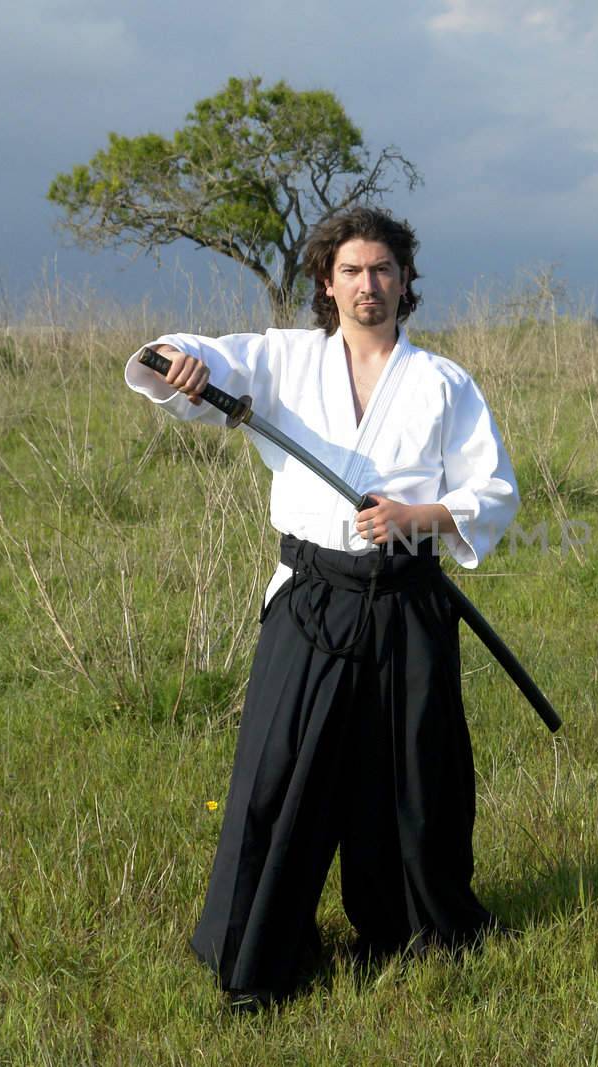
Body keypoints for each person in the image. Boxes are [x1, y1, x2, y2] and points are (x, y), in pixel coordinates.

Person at [124, 207, 519, 1005]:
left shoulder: (443, 382)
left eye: (382, 270)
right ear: (326, 284)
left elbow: (494, 491)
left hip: (408, 599)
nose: (367, 285)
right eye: (351, 271)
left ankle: (415, 932)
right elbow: (198, 359)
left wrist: (419, 518)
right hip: (311, 600)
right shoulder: (283, 360)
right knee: (279, 774)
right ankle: (261, 945)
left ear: (405, 283)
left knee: (414, 776)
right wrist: (177, 361)